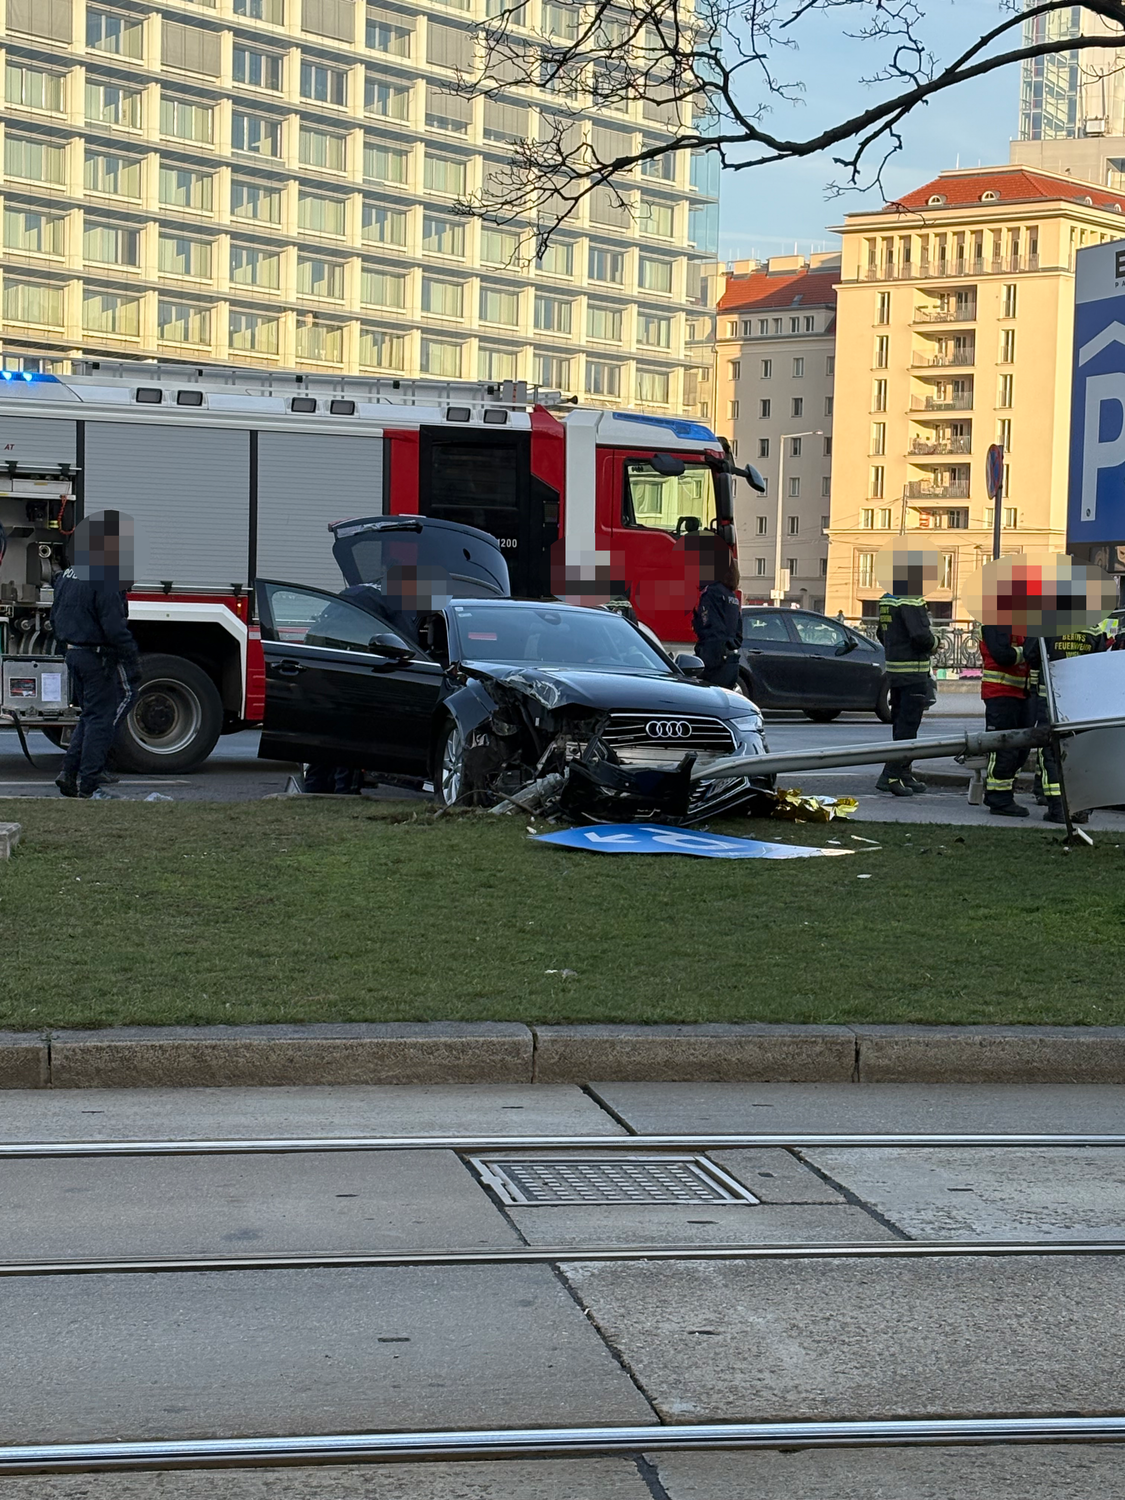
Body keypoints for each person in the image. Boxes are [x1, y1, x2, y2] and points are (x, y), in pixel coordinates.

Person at [49, 511, 140, 799]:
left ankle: (69, 773)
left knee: (88, 716)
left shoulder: (67, 576)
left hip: (73, 653)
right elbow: (114, 627)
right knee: (100, 719)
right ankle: (89, 782)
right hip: (97, 656)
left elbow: (55, 616)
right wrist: (130, 657)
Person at [1023, 625, 1106, 824]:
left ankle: (1059, 809)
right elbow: (1100, 661)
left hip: (1053, 697)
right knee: (1081, 753)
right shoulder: (1093, 628)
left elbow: (1031, 654)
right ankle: (1081, 809)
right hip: (1083, 699)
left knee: (1052, 752)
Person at [875, 563, 937, 796]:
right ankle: (890, 776)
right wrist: (935, 644)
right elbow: (921, 636)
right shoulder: (911, 600)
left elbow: (881, 633)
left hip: (895, 670)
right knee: (908, 727)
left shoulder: (887, 599)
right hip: (914, 671)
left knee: (900, 723)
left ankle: (904, 773)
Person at [978, 623, 1032, 817]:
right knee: (1004, 748)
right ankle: (998, 797)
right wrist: (1029, 651)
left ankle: (1006, 793)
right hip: (1000, 693)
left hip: (1023, 693)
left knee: (1020, 750)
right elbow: (1003, 656)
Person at [692, 555, 743, 688]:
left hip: (713, 662)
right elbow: (738, 633)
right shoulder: (732, 597)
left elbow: (708, 626)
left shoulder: (712, 593)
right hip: (731, 662)